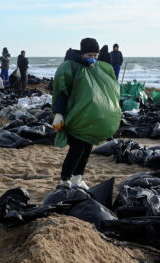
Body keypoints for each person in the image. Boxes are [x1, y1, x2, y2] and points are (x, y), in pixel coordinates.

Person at [51, 38, 121, 189]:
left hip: (91, 122)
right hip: (76, 119)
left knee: (87, 151)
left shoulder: (97, 70)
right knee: (76, 150)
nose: (93, 58)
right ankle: (64, 180)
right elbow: (62, 92)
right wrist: (58, 113)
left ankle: (77, 178)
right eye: (90, 54)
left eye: (96, 55)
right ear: (82, 53)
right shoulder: (72, 68)